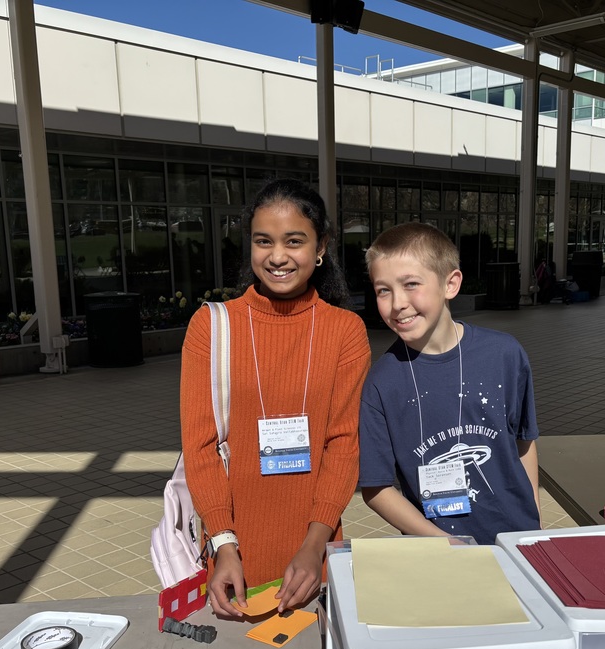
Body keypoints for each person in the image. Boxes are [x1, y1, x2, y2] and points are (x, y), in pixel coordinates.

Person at [180, 179, 372, 617]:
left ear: (320, 247)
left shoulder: (345, 332)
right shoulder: (211, 328)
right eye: (263, 241)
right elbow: (201, 446)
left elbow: (343, 445)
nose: (278, 256)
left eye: (294, 241)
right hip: (231, 560)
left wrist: (314, 546)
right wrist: (224, 545)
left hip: (314, 556)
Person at [358, 222, 541, 545]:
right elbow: (376, 487)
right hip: (439, 552)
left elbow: (523, 442)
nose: (397, 302)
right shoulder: (381, 383)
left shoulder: (504, 354)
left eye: (411, 284)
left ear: (450, 284)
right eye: (383, 290)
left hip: (518, 539)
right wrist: (446, 543)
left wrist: (534, 523)